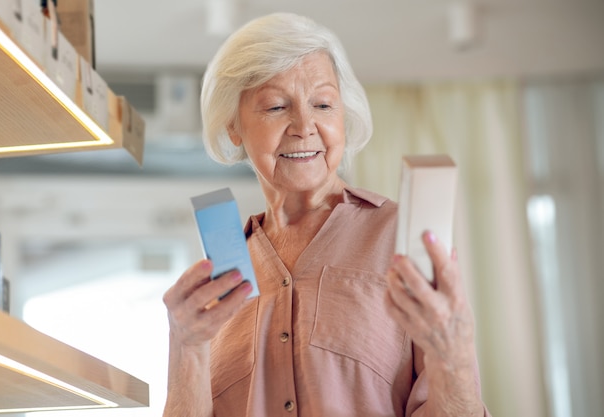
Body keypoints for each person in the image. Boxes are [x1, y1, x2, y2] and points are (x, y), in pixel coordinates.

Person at [162, 12, 491, 417]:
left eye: (322, 104)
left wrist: (454, 357)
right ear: (234, 127)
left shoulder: (400, 236)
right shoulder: (223, 272)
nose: (304, 125)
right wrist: (185, 347)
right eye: (276, 106)